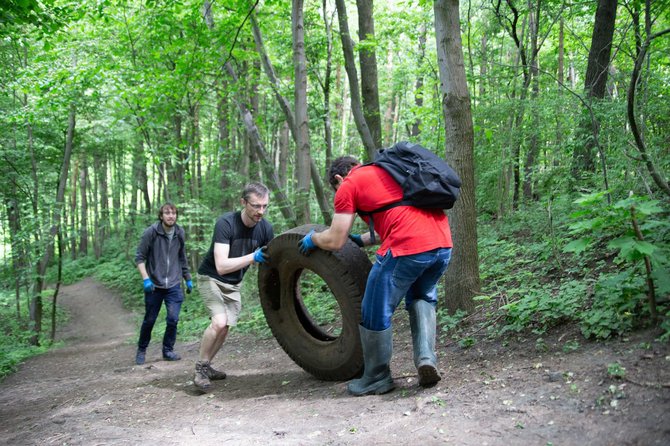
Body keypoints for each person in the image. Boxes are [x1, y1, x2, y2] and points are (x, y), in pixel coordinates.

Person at [298, 155, 453, 396]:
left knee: (373, 309)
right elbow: (400, 215)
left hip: (406, 247)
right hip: (442, 244)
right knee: (422, 295)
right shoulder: (392, 171)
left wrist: (314, 238)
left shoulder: (349, 184)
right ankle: (426, 358)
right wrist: (361, 239)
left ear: (339, 178)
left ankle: (376, 377)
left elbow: (335, 239)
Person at [193, 182, 274, 391]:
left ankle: (207, 365)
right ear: (243, 202)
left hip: (234, 284)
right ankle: (200, 369)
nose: (260, 211)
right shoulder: (226, 223)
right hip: (211, 278)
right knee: (219, 322)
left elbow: (272, 260)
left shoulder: (265, 228)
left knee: (225, 327)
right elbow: (221, 266)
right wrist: (252, 257)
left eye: (265, 206)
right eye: (256, 206)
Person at [134, 202, 193, 365]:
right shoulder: (151, 233)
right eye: (167, 213)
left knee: (173, 319)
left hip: (174, 284)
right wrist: (146, 279)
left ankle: (168, 350)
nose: (171, 216)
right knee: (150, 320)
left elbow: (182, 257)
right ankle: (141, 349)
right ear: (161, 216)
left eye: (173, 213)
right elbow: (139, 258)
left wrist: (187, 278)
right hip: (154, 285)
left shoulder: (179, 232)